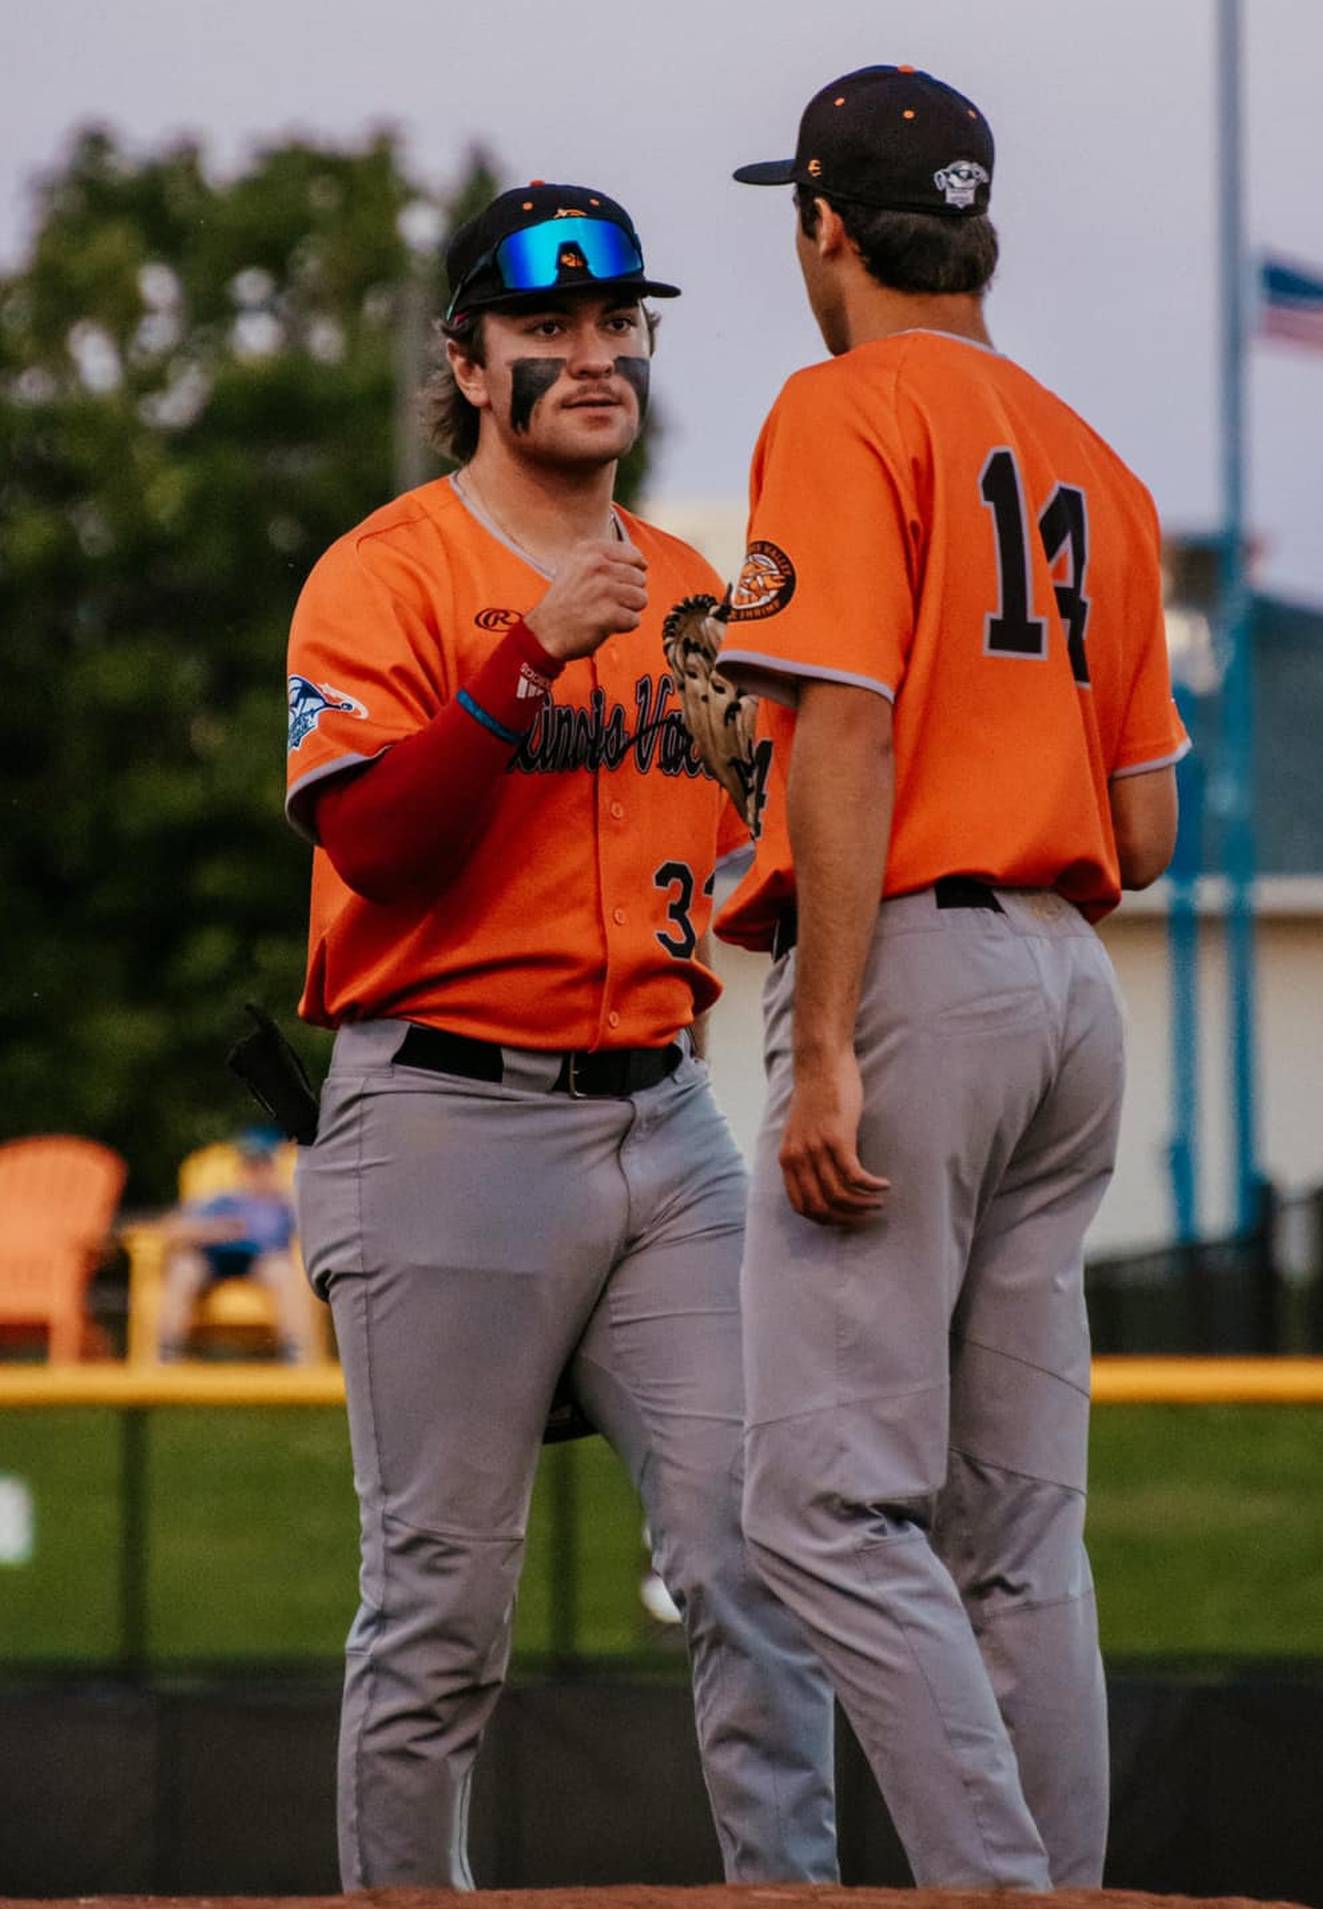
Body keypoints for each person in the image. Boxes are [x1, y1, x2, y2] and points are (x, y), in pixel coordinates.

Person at [284, 182, 834, 1889]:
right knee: (442, 1604)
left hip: (668, 1119)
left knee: (765, 1556)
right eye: (550, 330)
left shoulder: (690, 584)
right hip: (450, 1109)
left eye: (619, 324)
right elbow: (375, 842)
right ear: (468, 362)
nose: (596, 356)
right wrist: (524, 655)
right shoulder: (385, 571)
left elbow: (773, 839)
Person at [711, 66, 1188, 1892]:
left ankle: (995, 1891)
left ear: (825, 223)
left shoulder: (841, 406)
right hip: (1073, 989)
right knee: (1016, 1532)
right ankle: (1048, 1877)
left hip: (920, 962)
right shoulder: (1099, 461)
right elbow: (1144, 828)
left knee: (822, 1503)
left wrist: (822, 1042)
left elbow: (842, 720)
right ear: (974, 228)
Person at [157, 1126, 309, 1362]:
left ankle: (295, 1353)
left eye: (263, 1167)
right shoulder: (222, 1201)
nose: (256, 1173)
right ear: (241, 1170)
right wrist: (213, 1232)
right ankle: (169, 1352)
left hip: (261, 1261)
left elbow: (311, 1227)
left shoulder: (283, 1205)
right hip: (212, 1258)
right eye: (250, 1166)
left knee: (282, 1271)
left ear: (273, 1169)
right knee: (184, 1269)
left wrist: (289, 1193)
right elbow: (172, 1229)